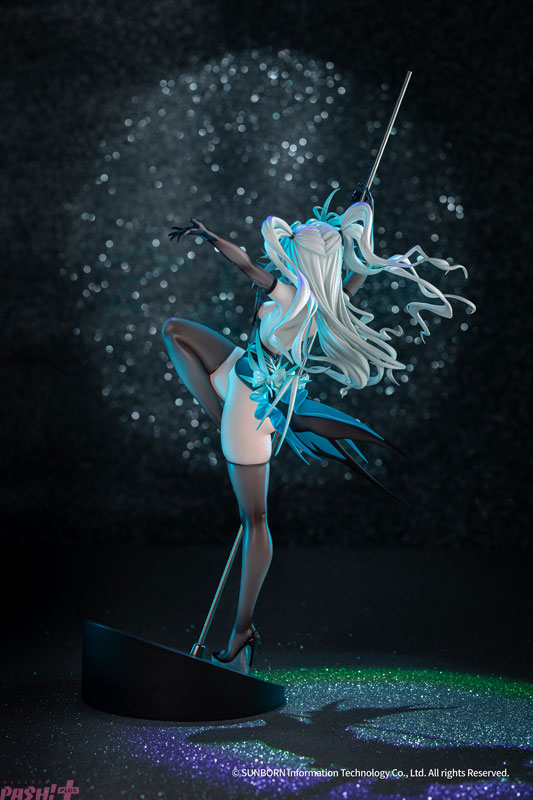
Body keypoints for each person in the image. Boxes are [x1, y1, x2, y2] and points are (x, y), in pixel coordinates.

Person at [162, 189, 475, 673]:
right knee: (176, 331)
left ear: (303, 259)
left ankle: (242, 631)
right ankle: (217, 413)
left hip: (251, 408)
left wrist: (209, 236)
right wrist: (364, 224)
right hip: (239, 370)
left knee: (255, 521)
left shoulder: (290, 295)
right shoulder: (331, 303)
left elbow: (245, 263)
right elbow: (358, 274)